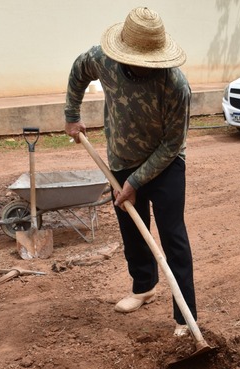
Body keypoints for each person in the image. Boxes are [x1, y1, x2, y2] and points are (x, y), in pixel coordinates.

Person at [64, 7, 197, 337]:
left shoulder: (175, 85)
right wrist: (71, 113)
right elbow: (79, 71)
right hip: (122, 159)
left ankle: (185, 317)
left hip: (165, 165)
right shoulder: (103, 60)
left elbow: (171, 144)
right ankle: (144, 287)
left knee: (172, 237)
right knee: (133, 231)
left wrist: (136, 183)